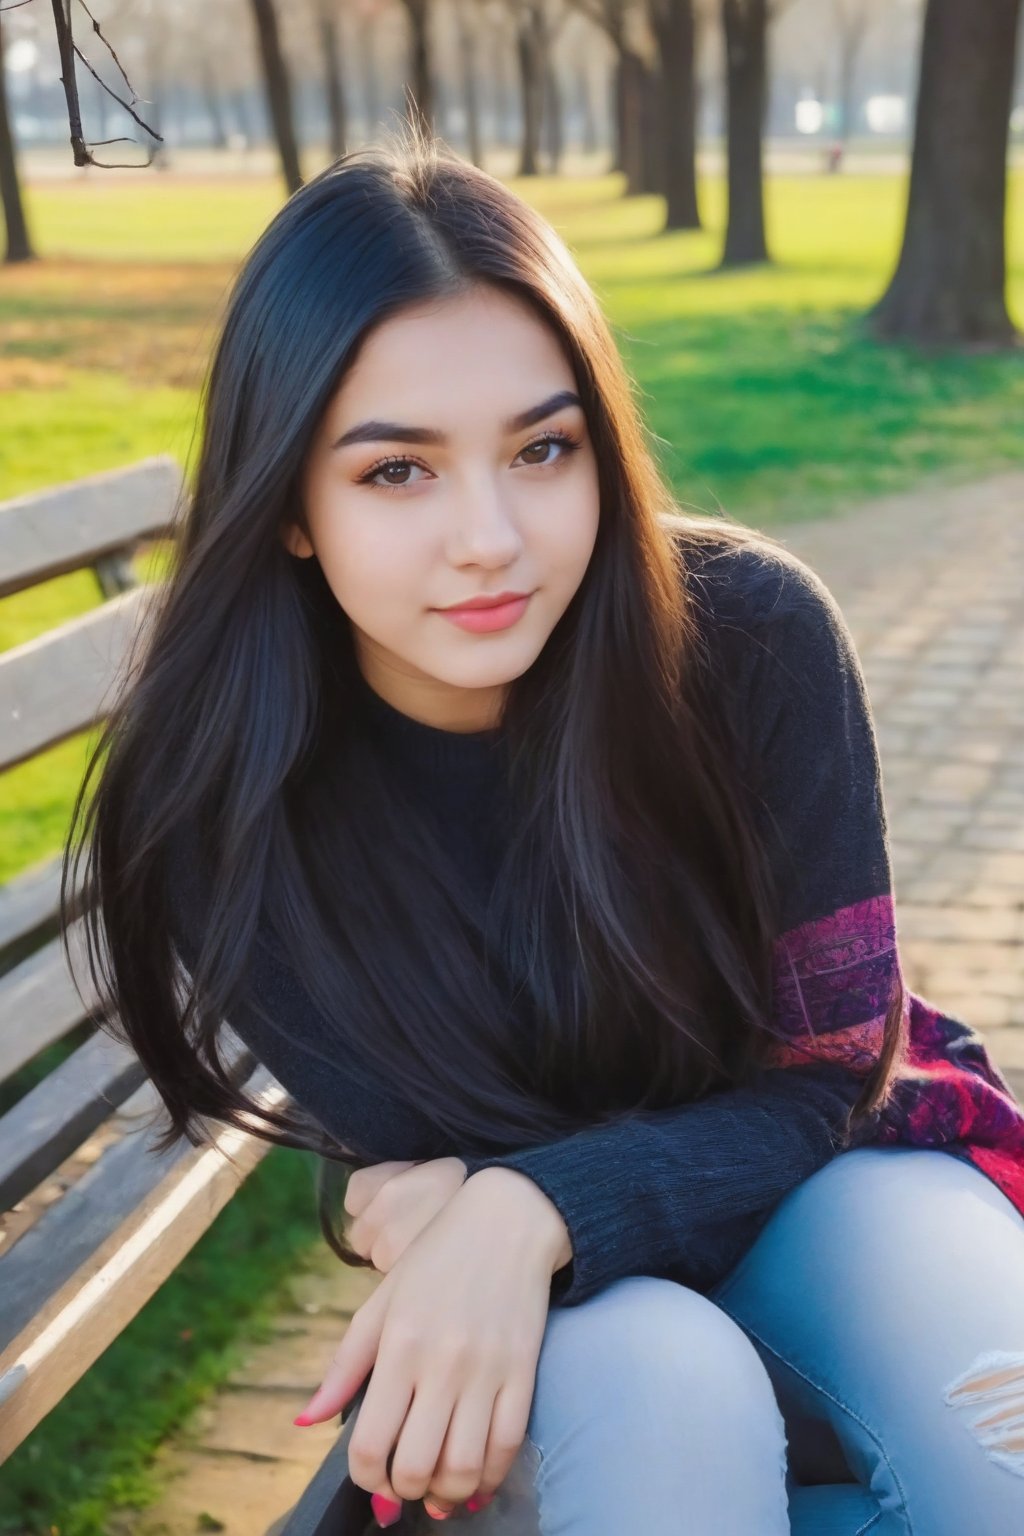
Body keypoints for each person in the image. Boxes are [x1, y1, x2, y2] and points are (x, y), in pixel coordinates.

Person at [63, 128, 1024, 1535]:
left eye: (543, 449)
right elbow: (414, 1157)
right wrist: (458, 1213)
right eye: (398, 472)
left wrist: (513, 1209)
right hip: (588, 1315)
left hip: (828, 1169)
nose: (492, 538)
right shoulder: (222, 798)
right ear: (289, 509)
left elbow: (822, 1078)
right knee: (664, 1392)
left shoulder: (749, 638)